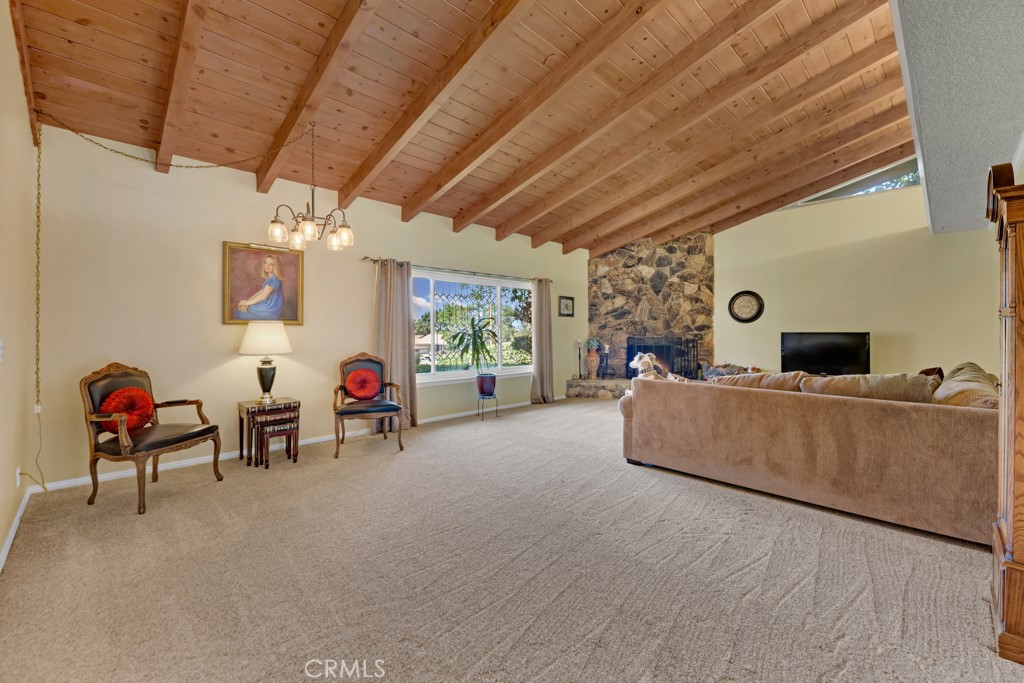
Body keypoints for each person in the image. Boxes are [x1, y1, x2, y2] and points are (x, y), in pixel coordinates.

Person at [237, 254, 285, 320]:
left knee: (241, 313)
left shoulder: (273, 279)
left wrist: (247, 303)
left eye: (271, 264)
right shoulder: (270, 278)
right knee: (243, 308)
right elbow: (261, 291)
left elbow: (263, 296)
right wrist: (248, 301)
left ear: (276, 266)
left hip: (270, 309)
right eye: (265, 263)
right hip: (269, 305)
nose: (267, 266)